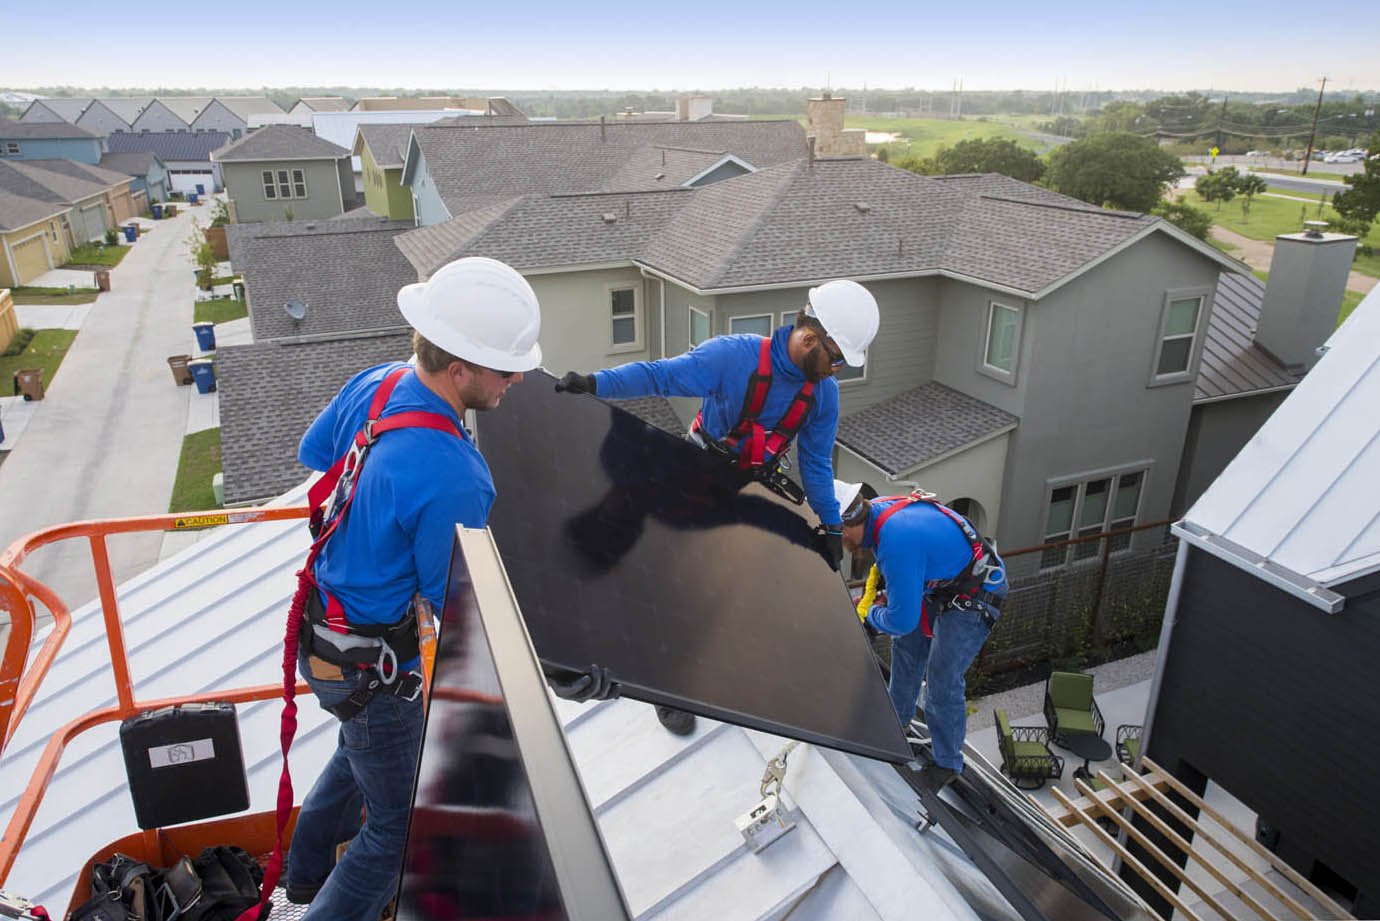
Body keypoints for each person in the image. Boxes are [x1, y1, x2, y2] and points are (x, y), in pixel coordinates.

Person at [282, 256, 543, 921]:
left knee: (358, 751)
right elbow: (453, 601)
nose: (517, 378)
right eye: (506, 367)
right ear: (459, 370)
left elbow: (320, 455)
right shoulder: (456, 473)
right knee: (398, 829)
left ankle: (303, 878)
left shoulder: (377, 382)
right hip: (372, 663)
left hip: (324, 635)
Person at [554, 279, 879, 736]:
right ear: (810, 338)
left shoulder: (822, 396)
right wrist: (593, 383)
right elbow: (659, 375)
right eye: (837, 359)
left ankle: (718, 668)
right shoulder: (734, 357)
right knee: (662, 576)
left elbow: (817, 465)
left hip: (745, 485)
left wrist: (828, 528)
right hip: (692, 466)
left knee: (728, 580)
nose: (837, 370)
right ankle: (662, 689)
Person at [835, 480, 1007, 791]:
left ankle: (947, 763)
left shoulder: (895, 540)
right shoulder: (879, 511)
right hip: (945, 583)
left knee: (941, 681)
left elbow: (901, 620)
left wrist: (868, 613)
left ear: (845, 527)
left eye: (836, 532)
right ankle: (895, 721)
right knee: (908, 649)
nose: (839, 539)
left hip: (977, 593)